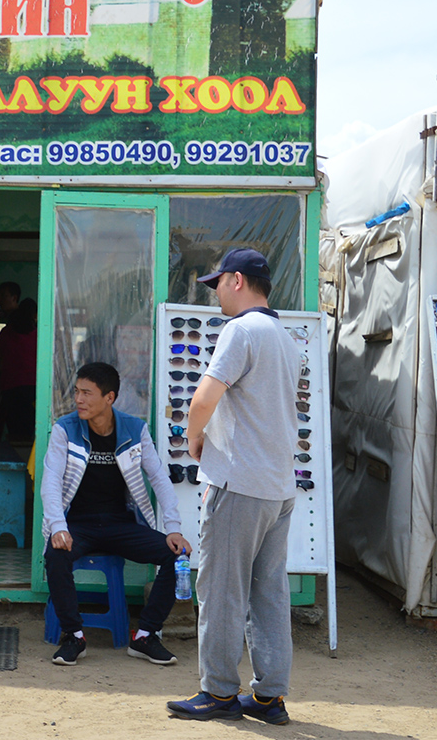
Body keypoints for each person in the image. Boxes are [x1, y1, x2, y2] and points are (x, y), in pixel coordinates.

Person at [166, 249, 301, 724]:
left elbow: (204, 396)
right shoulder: (285, 337)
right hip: (278, 486)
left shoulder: (241, 330)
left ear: (238, 281)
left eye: (218, 282)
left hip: (238, 481)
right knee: (269, 594)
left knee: (222, 589)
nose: (215, 291)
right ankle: (269, 696)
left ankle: (219, 692)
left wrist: (193, 436)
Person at [42, 362, 189, 667]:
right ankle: (74, 636)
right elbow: (51, 480)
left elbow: (159, 477)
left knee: (177, 556)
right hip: (78, 524)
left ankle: (146, 635)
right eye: (77, 392)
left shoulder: (134, 429)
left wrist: (172, 528)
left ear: (109, 397)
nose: (78, 399)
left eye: (87, 393)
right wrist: (58, 526)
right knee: (55, 555)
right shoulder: (65, 429)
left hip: (119, 523)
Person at [0, 298, 37, 440]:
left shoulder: (6, 333)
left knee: (10, 425)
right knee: (29, 426)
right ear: (35, 315)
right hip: (33, 387)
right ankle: (26, 460)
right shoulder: (39, 334)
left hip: (9, 386)